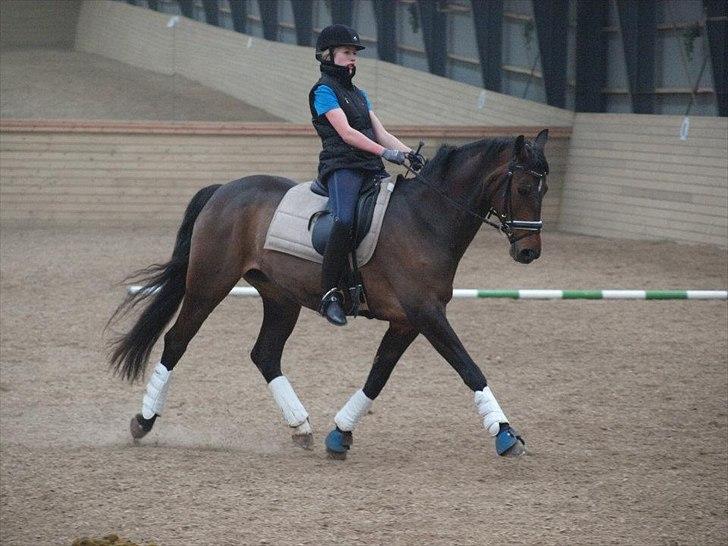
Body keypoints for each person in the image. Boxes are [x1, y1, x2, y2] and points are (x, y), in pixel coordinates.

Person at [309, 24, 423, 326]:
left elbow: (380, 132)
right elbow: (346, 133)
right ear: (328, 55)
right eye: (347, 53)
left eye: (354, 54)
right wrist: (385, 154)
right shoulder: (323, 91)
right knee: (344, 219)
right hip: (341, 166)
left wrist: (409, 153)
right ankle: (329, 292)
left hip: (370, 167)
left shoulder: (359, 94)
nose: (352, 59)